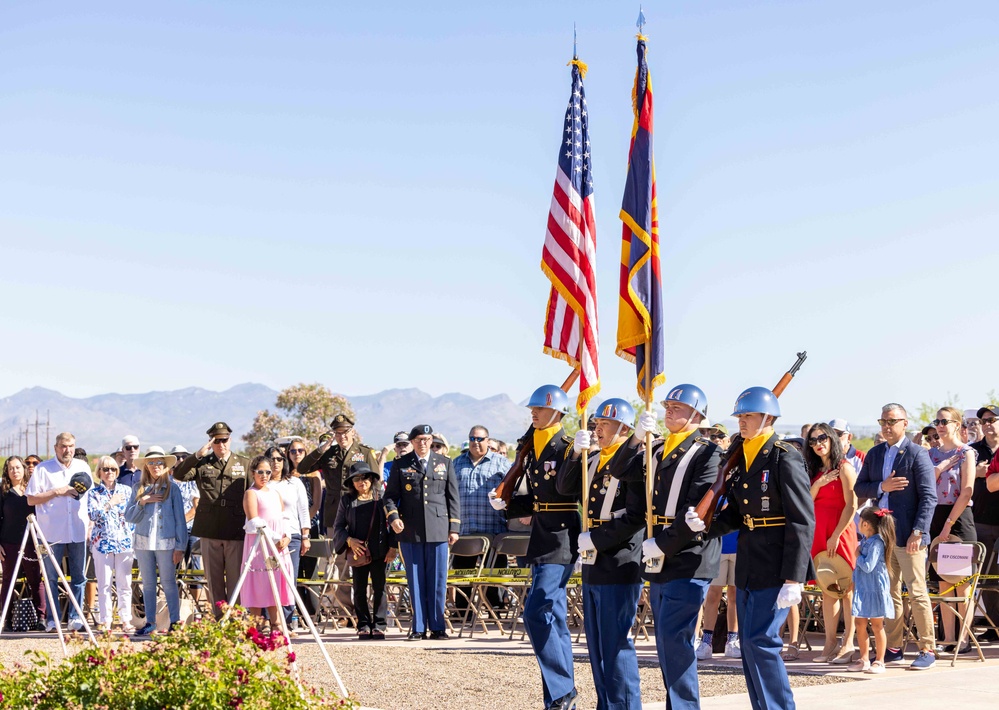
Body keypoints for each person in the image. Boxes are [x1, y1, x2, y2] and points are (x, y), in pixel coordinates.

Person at [686, 386, 814, 710]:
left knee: (763, 641)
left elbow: (802, 519)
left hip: (777, 563)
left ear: (768, 418)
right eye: (740, 416)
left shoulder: (784, 456)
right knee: (749, 644)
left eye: (748, 416)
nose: (742, 422)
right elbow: (736, 513)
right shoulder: (742, 455)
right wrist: (704, 525)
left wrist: (795, 577)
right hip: (748, 559)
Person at [615, 386, 722, 708]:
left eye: (678, 406)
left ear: (697, 414)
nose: (670, 411)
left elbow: (696, 512)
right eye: (668, 405)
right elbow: (619, 470)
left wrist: (661, 544)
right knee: (665, 640)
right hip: (659, 553)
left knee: (675, 640)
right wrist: (635, 438)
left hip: (688, 555)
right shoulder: (656, 446)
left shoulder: (708, 453)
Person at [489, 385, 579, 710]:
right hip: (541, 536)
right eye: (532, 409)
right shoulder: (534, 447)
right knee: (553, 617)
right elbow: (539, 499)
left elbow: (566, 493)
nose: (533, 413)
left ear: (556, 412)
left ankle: (563, 690)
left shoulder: (567, 448)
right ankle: (557, 697)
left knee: (535, 612)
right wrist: (507, 503)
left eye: (538, 409)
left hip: (563, 539)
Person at [556, 398, 644, 710]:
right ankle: (607, 704)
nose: (597, 429)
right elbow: (565, 487)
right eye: (596, 424)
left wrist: (595, 539)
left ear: (623, 427)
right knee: (596, 646)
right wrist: (575, 455)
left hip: (620, 560)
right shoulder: (593, 459)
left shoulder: (633, 462)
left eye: (604, 424)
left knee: (616, 644)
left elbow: (635, 517)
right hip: (594, 560)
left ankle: (625, 705)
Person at [853, 403, 937, 669]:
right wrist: (882, 486)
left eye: (892, 421)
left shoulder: (917, 454)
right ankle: (894, 647)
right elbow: (860, 487)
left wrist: (919, 531)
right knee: (888, 593)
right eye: (883, 422)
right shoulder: (875, 453)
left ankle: (927, 649)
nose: (887, 426)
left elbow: (928, 497)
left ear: (905, 423)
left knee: (917, 592)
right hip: (881, 538)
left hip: (910, 535)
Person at [297, 413, 379, 617]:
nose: (342, 436)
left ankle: (364, 610)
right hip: (336, 515)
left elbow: (376, 485)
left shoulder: (364, 452)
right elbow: (302, 467)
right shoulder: (328, 453)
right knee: (341, 564)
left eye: (345, 432)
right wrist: (321, 449)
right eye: (337, 432)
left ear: (352, 431)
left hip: (362, 511)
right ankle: (346, 613)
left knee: (365, 560)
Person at [384, 424, 460, 641]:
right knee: (415, 579)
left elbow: (452, 497)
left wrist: (454, 527)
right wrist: (394, 517)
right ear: (412, 442)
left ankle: (437, 627)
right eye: (418, 440)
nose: (423, 443)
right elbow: (389, 497)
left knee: (437, 579)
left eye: (427, 439)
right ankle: (418, 627)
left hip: (439, 528)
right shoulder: (401, 464)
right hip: (411, 529)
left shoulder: (444, 463)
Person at [173, 422, 248, 618]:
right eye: (216, 441)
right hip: (210, 528)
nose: (221, 445)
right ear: (210, 442)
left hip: (235, 529)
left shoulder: (244, 463)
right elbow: (179, 474)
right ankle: (219, 617)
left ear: (230, 440)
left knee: (235, 578)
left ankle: (234, 619)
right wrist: (198, 454)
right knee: (213, 580)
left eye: (224, 440)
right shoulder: (202, 463)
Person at [25, 432, 91, 632]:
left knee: (79, 578)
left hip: (78, 532)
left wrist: (90, 525)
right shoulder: (43, 469)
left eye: (70, 446)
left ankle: (75, 619)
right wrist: (56, 491)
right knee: (52, 578)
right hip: (50, 534)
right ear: (56, 448)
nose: (67, 450)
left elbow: (91, 497)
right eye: (63, 446)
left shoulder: (83, 467)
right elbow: (31, 499)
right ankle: (53, 620)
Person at [804, 422, 858, 664]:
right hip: (819, 532)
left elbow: (852, 505)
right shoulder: (814, 471)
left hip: (840, 532)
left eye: (823, 438)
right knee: (828, 590)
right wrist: (819, 484)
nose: (818, 443)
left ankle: (848, 643)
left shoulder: (845, 468)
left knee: (847, 590)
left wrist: (836, 534)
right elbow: (807, 501)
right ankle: (829, 643)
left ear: (832, 439)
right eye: (813, 440)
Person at [927, 406, 976, 652]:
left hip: (958, 517)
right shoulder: (931, 455)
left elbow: (967, 490)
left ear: (957, 424)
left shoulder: (967, 452)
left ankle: (964, 639)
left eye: (945, 421)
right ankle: (948, 637)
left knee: (962, 583)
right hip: (935, 516)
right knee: (944, 583)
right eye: (937, 421)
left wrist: (948, 524)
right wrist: (941, 467)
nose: (940, 425)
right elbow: (925, 485)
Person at [125, 446, 188, 634]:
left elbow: (180, 520)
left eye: (159, 462)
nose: (155, 466)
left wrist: (180, 546)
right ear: (146, 466)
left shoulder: (173, 489)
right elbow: (129, 517)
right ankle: (150, 622)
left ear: (165, 466)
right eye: (151, 463)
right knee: (148, 583)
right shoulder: (138, 488)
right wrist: (142, 502)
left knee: (169, 582)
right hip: (143, 543)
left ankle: (175, 621)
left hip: (166, 542)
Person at [332, 463, 397, 639]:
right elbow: (338, 526)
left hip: (379, 549)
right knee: (359, 589)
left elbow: (392, 525)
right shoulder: (347, 500)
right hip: (358, 551)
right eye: (357, 479)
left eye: (365, 478)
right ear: (352, 482)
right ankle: (363, 624)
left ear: (372, 479)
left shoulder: (381, 497)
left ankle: (380, 624)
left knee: (380, 588)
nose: (362, 482)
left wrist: (393, 548)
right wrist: (348, 540)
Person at [452, 425, 511, 590]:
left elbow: (513, 489)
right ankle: (465, 615)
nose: (475, 442)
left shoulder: (501, 463)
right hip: (464, 533)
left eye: (479, 439)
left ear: (487, 440)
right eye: (472, 439)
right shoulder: (456, 463)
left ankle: (497, 613)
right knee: (463, 583)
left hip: (493, 532)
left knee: (494, 585)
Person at [241, 455, 294, 631]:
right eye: (260, 472)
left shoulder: (275, 493)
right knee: (259, 582)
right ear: (253, 473)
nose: (264, 475)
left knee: (275, 582)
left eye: (268, 472)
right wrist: (274, 538)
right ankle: (255, 627)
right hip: (260, 545)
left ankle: (277, 624)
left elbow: (283, 517)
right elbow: (254, 520)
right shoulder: (251, 493)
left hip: (278, 547)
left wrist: (286, 536)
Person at [85, 455, 134, 633]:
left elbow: (133, 516)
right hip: (102, 543)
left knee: (124, 583)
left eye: (113, 469)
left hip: (124, 543)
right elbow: (93, 515)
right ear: (99, 472)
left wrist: (132, 535)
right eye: (105, 469)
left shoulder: (126, 491)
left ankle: (126, 619)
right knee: (104, 584)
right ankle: (106, 620)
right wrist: (109, 504)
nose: (109, 472)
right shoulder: (93, 493)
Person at [265, 445, 311, 627]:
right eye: (271, 459)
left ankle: (287, 623)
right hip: (268, 537)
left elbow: (303, 510)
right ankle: (270, 622)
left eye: (279, 459)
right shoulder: (262, 483)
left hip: (292, 536)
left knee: (288, 581)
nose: (275, 463)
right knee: (268, 579)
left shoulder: (294, 482)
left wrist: (305, 535)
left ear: (284, 461)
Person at [849, 507, 896, 674]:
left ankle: (880, 660)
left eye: (860, 522)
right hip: (863, 589)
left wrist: (858, 555)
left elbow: (868, 566)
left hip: (875, 588)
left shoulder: (877, 542)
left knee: (877, 625)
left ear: (866, 524)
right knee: (860, 623)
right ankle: (864, 658)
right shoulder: (866, 541)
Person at [0, 457, 44, 631]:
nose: (15, 471)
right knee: (9, 580)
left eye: (18, 467)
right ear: (7, 471)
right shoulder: (3, 493)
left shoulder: (32, 490)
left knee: (35, 580)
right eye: (11, 468)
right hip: (9, 543)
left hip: (31, 543)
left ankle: (42, 617)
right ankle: (6, 618)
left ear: (24, 469)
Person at [971, 404, 999, 642]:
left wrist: (987, 472)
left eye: (992, 419)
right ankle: (994, 625)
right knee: (988, 576)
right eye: (984, 421)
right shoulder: (973, 451)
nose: (987, 424)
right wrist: (976, 473)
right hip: (981, 521)